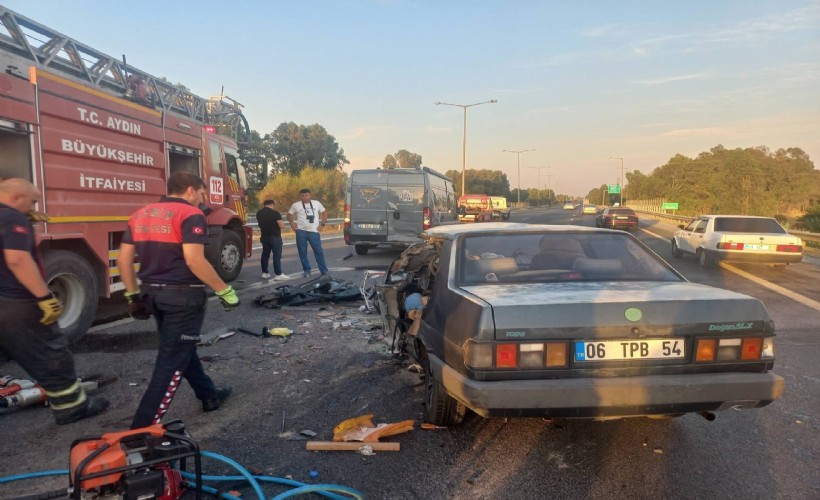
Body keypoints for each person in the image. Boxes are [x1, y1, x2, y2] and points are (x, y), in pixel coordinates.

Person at [117, 172, 240, 429]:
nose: (202, 200)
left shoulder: (141, 214)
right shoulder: (190, 215)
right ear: (189, 191)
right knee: (171, 361)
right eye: (202, 194)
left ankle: (209, 395)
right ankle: (141, 432)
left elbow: (124, 260)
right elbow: (194, 260)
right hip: (182, 297)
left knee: (180, 347)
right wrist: (223, 290)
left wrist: (132, 295)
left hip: (153, 294)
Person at [0, 178, 109, 425]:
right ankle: (72, 407)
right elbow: (17, 260)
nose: (35, 206)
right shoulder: (12, 219)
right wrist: (44, 296)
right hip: (16, 302)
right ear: (16, 198)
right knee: (52, 353)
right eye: (32, 201)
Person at [286, 188, 329, 278]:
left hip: (314, 231)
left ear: (310, 195)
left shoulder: (316, 203)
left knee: (319, 251)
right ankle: (306, 270)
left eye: (306, 195)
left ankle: (323, 270)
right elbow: (289, 215)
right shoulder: (296, 205)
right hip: (301, 231)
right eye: (303, 196)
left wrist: (322, 224)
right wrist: (292, 224)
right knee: (302, 252)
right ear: (300, 196)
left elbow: (325, 213)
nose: (305, 197)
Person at [256, 199, 290, 281]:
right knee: (277, 255)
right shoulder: (275, 213)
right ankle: (278, 274)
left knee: (265, 254)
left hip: (264, 236)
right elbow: (281, 225)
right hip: (275, 236)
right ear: (272, 204)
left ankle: (265, 273)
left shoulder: (259, 213)